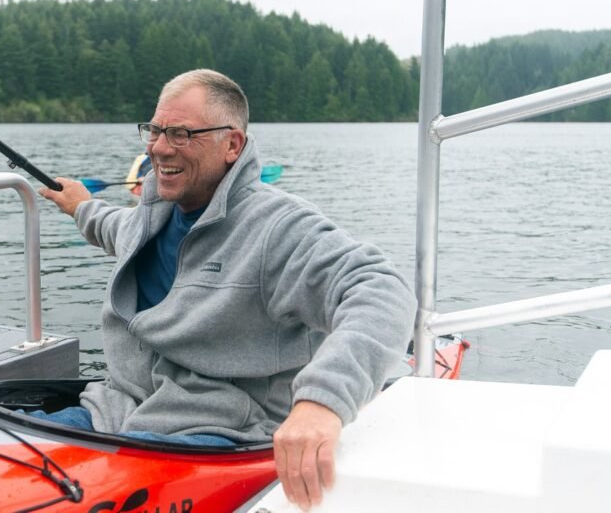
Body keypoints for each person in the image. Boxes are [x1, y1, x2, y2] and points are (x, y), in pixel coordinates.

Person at [38, 69, 414, 510]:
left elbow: (383, 290)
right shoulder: (153, 211)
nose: (159, 147)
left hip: (216, 431)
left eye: (180, 134)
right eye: (155, 130)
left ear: (232, 145)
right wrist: (80, 205)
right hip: (114, 409)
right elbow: (113, 227)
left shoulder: (277, 226)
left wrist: (322, 403)